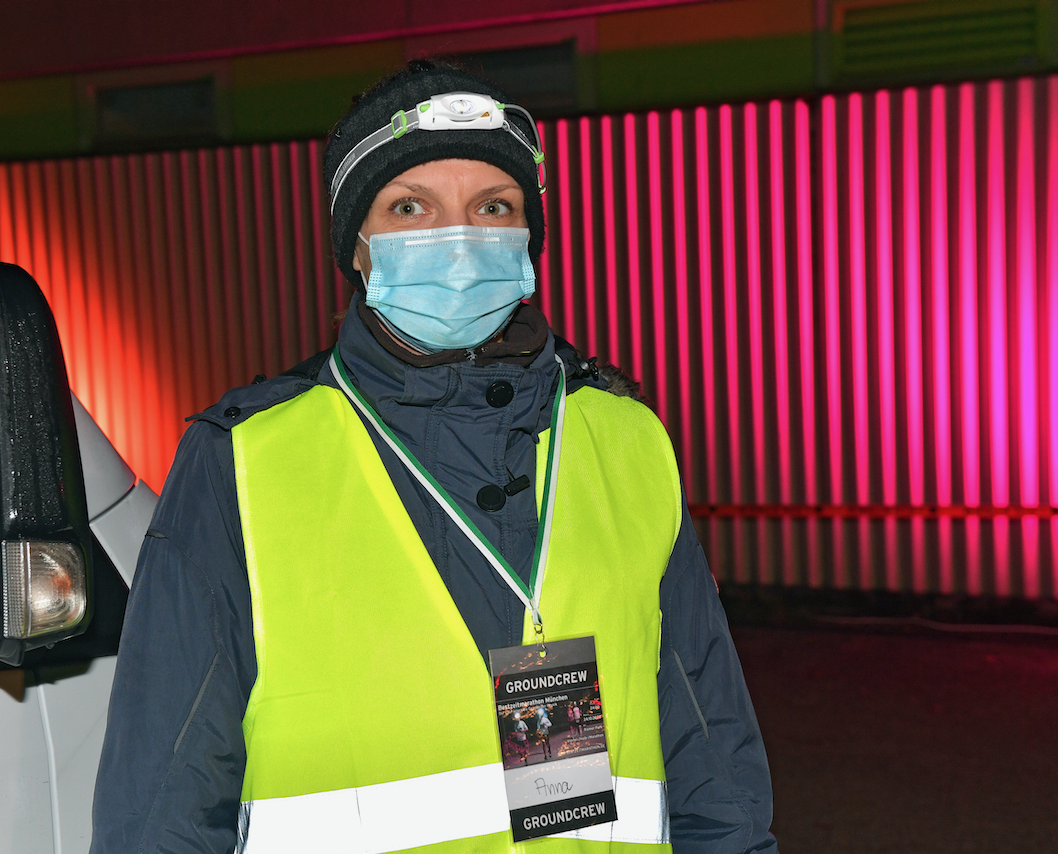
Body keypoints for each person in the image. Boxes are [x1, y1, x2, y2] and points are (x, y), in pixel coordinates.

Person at [91, 61, 778, 853]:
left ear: (528, 237)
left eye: (494, 206)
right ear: (356, 247)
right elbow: (164, 798)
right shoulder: (243, 460)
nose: (459, 240)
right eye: (411, 206)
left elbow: (712, 759)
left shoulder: (625, 441)